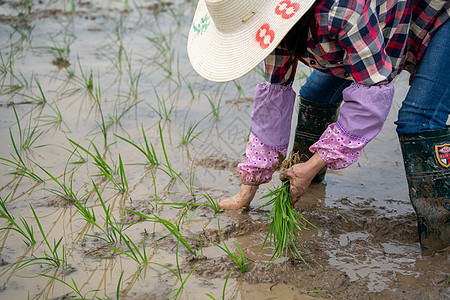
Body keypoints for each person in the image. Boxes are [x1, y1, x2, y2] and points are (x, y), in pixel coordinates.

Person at [187, 0, 449, 255]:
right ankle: (304, 186)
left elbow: (373, 91)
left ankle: (440, 238)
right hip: (375, 26)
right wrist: (246, 191)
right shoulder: (276, 28)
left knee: (417, 121)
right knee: (314, 93)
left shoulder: (343, 11)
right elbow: (273, 101)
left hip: (437, 16)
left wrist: (314, 163)